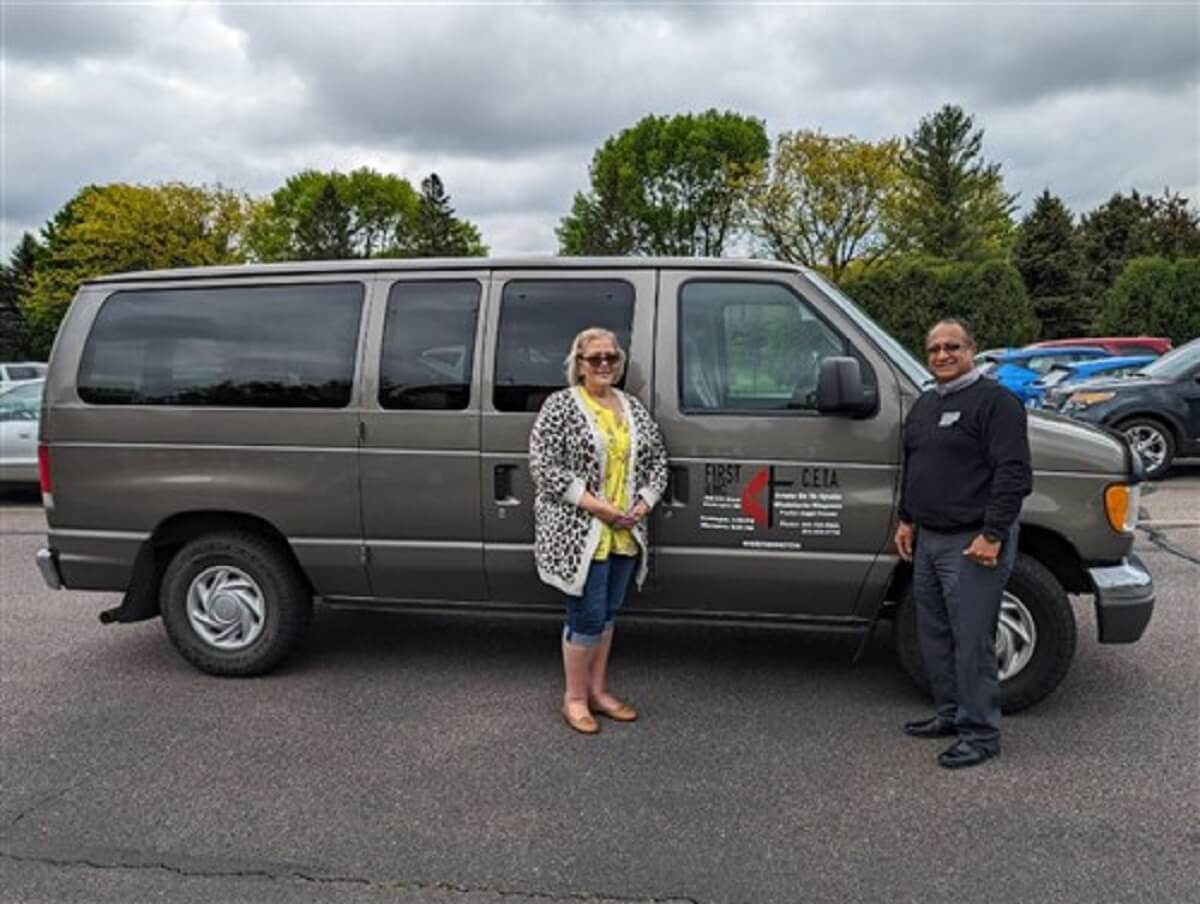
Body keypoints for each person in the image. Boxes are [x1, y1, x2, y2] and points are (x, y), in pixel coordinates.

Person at [894, 317, 1032, 769]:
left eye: (952, 347)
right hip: (929, 539)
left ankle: (981, 733)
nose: (942, 356)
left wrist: (993, 534)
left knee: (972, 640)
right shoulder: (925, 405)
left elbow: (1013, 474)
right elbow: (913, 467)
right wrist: (906, 519)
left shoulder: (996, 403)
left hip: (973, 542)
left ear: (972, 349)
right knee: (934, 634)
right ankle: (950, 714)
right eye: (934, 349)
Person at [528, 328, 669, 734]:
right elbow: (545, 467)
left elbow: (658, 459)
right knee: (586, 615)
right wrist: (598, 507)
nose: (605, 364)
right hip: (583, 531)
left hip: (625, 531)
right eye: (595, 358)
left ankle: (599, 691)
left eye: (611, 357)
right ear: (579, 364)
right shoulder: (561, 406)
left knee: (607, 613)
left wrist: (644, 502)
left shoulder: (633, 407)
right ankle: (574, 698)